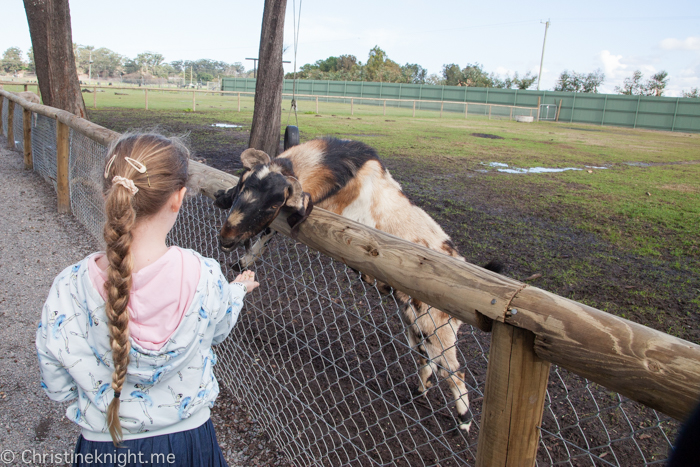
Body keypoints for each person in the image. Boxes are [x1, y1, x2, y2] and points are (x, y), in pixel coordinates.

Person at [36, 133, 258, 466]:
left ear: (105, 194)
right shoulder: (204, 275)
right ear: (179, 198)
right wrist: (237, 290)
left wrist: (89, 399)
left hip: (104, 445)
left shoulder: (69, 286)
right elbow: (219, 325)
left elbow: (54, 374)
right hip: (190, 443)